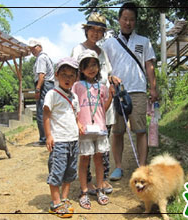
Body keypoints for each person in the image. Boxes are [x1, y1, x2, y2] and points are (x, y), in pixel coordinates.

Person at [101, 2, 158, 181]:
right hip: (117, 93)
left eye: (131, 19)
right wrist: (110, 80)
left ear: (135, 22)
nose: (128, 22)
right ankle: (118, 167)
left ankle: (141, 167)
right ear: (119, 20)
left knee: (141, 131)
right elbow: (104, 69)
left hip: (139, 91)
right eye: (125, 19)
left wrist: (153, 88)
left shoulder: (144, 41)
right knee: (117, 132)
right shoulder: (109, 43)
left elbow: (149, 65)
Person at [70, 12, 114, 195]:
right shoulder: (78, 50)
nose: (96, 34)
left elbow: (108, 75)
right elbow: (71, 76)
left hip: (102, 105)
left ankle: (102, 180)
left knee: (102, 147)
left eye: (100, 31)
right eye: (92, 29)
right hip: (85, 107)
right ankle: (87, 182)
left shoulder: (102, 53)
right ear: (86, 30)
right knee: (86, 150)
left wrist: (113, 79)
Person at [43, 57, 81, 218]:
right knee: (57, 171)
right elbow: (46, 114)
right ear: (57, 75)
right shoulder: (52, 94)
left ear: (76, 78)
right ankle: (55, 203)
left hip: (73, 140)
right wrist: (49, 135)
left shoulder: (74, 97)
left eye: (71, 75)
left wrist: (79, 125)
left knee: (70, 171)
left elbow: (76, 115)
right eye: (64, 74)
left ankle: (64, 198)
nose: (67, 78)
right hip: (59, 141)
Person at [29, 40, 55, 146]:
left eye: (33, 48)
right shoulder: (46, 57)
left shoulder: (41, 58)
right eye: (30, 49)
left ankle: (44, 138)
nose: (32, 51)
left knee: (41, 111)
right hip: (49, 85)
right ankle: (49, 136)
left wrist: (38, 89)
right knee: (48, 110)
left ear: (39, 47)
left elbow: (41, 75)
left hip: (44, 85)